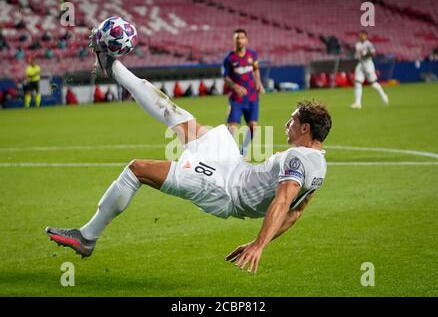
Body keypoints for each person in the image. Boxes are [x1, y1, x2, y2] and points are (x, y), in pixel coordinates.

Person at [45, 32, 332, 273]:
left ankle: (87, 236)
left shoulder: (298, 159)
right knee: (177, 114)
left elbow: (283, 204)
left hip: (224, 189)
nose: (287, 124)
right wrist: (262, 241)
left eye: (292, 120)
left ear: (305, 128)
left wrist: (258, 244)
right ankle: (113, 66)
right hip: (232, 165)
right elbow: (295, 215)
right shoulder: (319, 165)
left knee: (137, 169)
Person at [223, 28, 264, 158]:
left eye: (242, 38)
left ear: (246, 40)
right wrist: (235, 87)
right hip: (237, 98)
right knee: (232, 126)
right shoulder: (229, 58)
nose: (240, 40)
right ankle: (230, 152)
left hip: (252, 96)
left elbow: (256, 70)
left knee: (253, 126)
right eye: (237, 38)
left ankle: (243, 149)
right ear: (233, 41)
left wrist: (259, 82)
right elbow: (226, 77)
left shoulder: (252, 55)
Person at [351, 30, 389, 109]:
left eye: (363, 35)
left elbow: (373, 53)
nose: (361, 36)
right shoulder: (357, 44)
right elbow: (357, 54)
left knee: (373, 83)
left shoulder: (369, 44)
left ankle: (384, 96)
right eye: (360, 35)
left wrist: (366, 54)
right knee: (358, 82)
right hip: (361, 64)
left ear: (366, 36)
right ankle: (358, 103)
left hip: (368, 65)